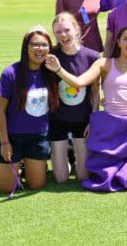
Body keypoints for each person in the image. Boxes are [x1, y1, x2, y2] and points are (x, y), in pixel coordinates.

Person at [46, 25, 127, 191]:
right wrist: (59, 70)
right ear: (118, 42)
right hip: (110, 125)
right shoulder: (104, 64)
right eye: (126, 38)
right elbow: (80, 82)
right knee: (101, 177)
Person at [0, 27, 58, 194]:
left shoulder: (51, 73)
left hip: (38, 137)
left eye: (44, 45)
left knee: (36, 185)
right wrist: (4, 143)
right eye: (35, 44)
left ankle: (28, 166)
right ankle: (19, 165)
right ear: (26, 47)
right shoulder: (10, 73)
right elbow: (0, 111)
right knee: (7, 188)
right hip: (12, 137)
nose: (40, 49)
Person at [50, 13, 100, 183]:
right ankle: (69, 158)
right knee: (61, 178)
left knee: (84, 176)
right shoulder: (51, 55)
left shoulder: (92, 56)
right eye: (58, 32)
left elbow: (95, 90)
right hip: (58, 119)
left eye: (66, 30)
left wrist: (93, 119)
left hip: (82, 119)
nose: (63, 35)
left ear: (76, 30)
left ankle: (74, 154)